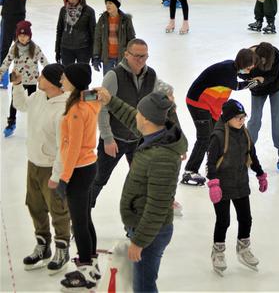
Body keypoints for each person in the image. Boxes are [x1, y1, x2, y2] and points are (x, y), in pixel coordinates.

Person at [95, 88, 187, 292]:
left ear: (145, 118)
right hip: (144, 229)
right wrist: (110, 100)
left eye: (139, 113)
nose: (135, 116)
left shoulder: (161, 156)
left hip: (151, 234)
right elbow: (130, 116)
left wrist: (139, 242)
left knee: (144, 287)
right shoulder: (154, 134)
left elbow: (157, 206)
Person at [91, 39, 177, 207]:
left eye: (144, 56)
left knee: (141, 182)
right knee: (98, 179)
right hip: (115, 139)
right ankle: (81, 218)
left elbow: (157, 107)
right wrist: (107, 138)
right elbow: (102, 109)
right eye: (136, 56)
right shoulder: (113, 76)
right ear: (126, 54)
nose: (140, 60)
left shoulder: (151, 75)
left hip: (139, 140)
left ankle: (133, 225)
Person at [11, 64, 71, 274]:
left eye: (43, 76)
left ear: (54, 83)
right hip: (33, 162)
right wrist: (18, 85)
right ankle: (43, 245)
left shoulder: (64, 110)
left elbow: (64, 149)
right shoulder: (37, 96)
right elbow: (21, 105)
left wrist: (57, 176)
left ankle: (62, 249)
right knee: (34, 205)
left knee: (58, 210)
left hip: (52, 168)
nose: (39, 77)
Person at [207, 99, 268, 275]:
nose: (242, 121)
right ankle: (217, 252)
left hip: (240, 182)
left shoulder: (245, 134)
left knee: (246, 218)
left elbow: (252, 156)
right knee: (223, 221)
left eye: (243, 117)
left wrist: (260, 174)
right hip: (222, 185)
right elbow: (210, 162)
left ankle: (243, 248)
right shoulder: (218, 136)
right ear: (227, 119)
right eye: (238, 118)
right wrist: (213, 183)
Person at [182, 49, 260, 185]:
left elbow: (239, 78)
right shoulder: (227, 70)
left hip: (209, 104)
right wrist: (255, 82)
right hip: (198, 103)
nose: (250, 70)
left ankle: (214, 165)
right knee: (205, 137)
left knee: (215, 136)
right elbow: (236, 86)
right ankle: (189, 171)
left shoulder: (232, 68)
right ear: (243, 63)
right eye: (249, 67)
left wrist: (250, 78)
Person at [55, 63, 101, 290]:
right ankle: (91, 261)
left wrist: (64, 178)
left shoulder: (76, 110)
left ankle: (85, 271)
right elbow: (99, 94)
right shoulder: (89, 100)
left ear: (73, 81)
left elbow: (73, 147)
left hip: (79, 170)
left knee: (79, 223)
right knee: (86, 218)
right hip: (89, 166)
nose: (61, 80)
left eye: (64, 77)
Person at [240, 42, 279, 172]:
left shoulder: (276, 53)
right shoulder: (247, 56)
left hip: (276, 87)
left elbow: (273, 75)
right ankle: (245, 154)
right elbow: (240, 73)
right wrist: (250, 77)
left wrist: (261, 79)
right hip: (257, 90)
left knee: (277, 120)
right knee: (254, 121)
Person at [0, 20, 48, 137]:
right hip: (17, 80)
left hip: (32, 80)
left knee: (33, 102)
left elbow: (44, 61)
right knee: (14, 102)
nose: (22, 38)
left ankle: (34, 123)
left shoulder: (34, 48)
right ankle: (11, 123)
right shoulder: (14, 48)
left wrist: (50, 74)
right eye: (20, 36)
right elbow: (7, 61)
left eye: (25, 35)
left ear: (29, 36)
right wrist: (1, 72)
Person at [92, 0, 136, 75]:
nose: (107, 6)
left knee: (122, 82)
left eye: (110, 3)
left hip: (122, 58)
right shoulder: (102, 19)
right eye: (106, 3)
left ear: (117, 5)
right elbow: (97, 39)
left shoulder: (126, 20)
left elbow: (131, 39)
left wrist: (132, 56)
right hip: (107, 58)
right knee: (108, 83)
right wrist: (96, 56)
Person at [0, 0, 27, 89]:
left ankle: (3, 80)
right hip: (21, 20)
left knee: (4, 49)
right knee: (20, 49)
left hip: (8, 20)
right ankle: (20, 79)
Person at [55, 0, 96, 66]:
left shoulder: (89, 11)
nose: (71, 0)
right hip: (66, 49)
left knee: (82, 76)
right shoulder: (63, 10)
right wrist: (57, 50)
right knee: (67, 76)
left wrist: (94, 53)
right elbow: (59, 30)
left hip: (83, 49)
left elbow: (93, 33)